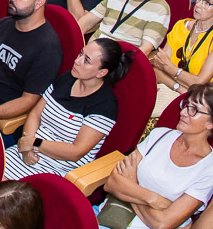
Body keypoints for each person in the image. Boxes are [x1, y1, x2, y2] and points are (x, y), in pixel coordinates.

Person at [96, 84, 213, 229]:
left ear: (211, 123)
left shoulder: (209, 171)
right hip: (105, 214)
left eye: (194, 110)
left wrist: (131, 185)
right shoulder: (160, 135)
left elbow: (161, 226)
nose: (183, 112)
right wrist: (152, 198)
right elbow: (111, 184)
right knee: (70, 220)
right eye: (186, 105)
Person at [7, 37, 129, 180]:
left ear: (101, 73)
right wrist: (27, 144)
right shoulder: (66, 79)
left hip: (57, 169)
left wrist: (34, 143)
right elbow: (35, 114)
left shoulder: (104, 106)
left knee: (0, 189)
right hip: (25, 151)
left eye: (86, 60)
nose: (77, 61)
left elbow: (75, 152)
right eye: (81, 53)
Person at [152, 0, 213, 112]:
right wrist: (180, 87)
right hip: (168, 88)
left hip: (194, 102)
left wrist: (170, 69)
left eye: (207, 3)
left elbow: (199, 84)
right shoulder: (180, 26)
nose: (199, 4)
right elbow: (158, 68)